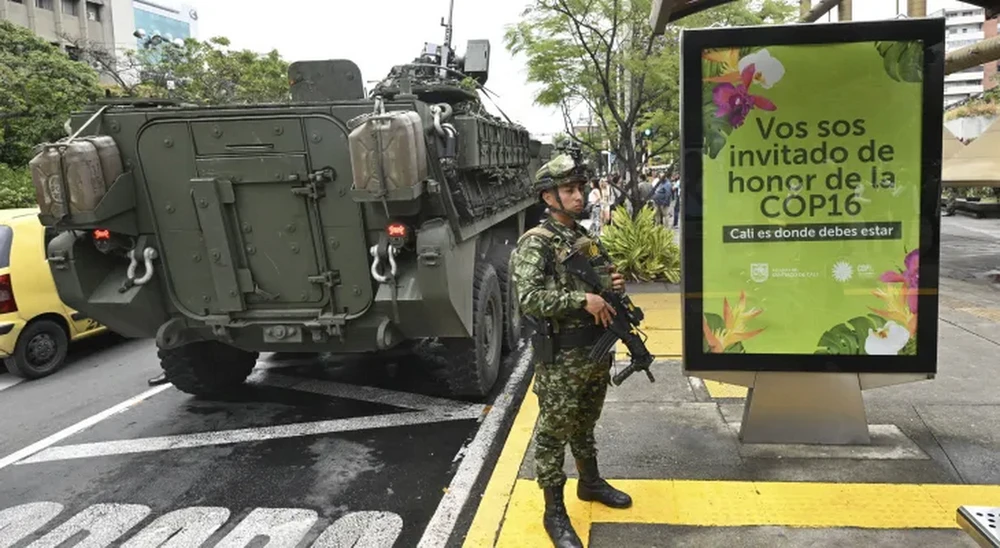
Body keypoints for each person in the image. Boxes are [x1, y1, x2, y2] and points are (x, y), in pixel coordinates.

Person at [510, 153, 633, 548]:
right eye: (569, 190)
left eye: (580, 188)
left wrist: (613, 285)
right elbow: (528, 298)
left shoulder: (584, 238)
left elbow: (603, 281)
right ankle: (554, 512)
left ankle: (590, 482)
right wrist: (582, 302)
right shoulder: (537, 243)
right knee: (552, 434)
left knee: (585, 421)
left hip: (594, 351)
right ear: (548, 197)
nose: (579, 196)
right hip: (562, 357)